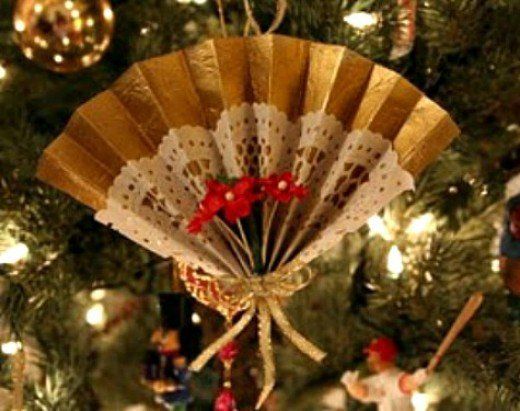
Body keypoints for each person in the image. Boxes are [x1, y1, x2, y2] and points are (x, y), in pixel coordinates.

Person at [341, 337, 428, 411]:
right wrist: (351, 385)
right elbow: (362, 392)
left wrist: (415, 379)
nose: (368, 359)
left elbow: (403, 383)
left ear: (382, 356)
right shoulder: (379, 379)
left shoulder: (393, 377)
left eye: (371, 355)